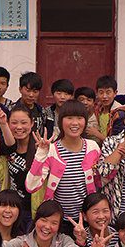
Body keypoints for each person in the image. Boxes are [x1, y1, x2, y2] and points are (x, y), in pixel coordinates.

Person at [26, 100, 101, 237]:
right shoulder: (52, 150)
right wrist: (42, 153)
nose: (74, 123)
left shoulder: (93, 147)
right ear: (60, 121)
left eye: (79, 118)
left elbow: (102, 180)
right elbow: (31, 186)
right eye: (69, 118)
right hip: (58, 222)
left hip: (87, 220)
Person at [0, 106, 37, 226]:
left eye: (24, 122)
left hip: (33, 210)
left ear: (32, 123)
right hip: (12, 208)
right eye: (14, 123)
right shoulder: (6, 147)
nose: (19, 127)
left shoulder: (40, 148)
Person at [13, 71, 50, 136]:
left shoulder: (42, 112)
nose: (31, 95)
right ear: (20, 89)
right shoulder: (11, 109)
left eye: (35, 91)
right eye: (28, 91)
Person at [94, 75, 124, 140]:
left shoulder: (119, 114)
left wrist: (97, 134)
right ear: (97, 93)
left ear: (115, 93)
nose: (104, 96)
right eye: (101, 92)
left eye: (108, 92)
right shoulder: (97, 109)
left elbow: (116, 142)